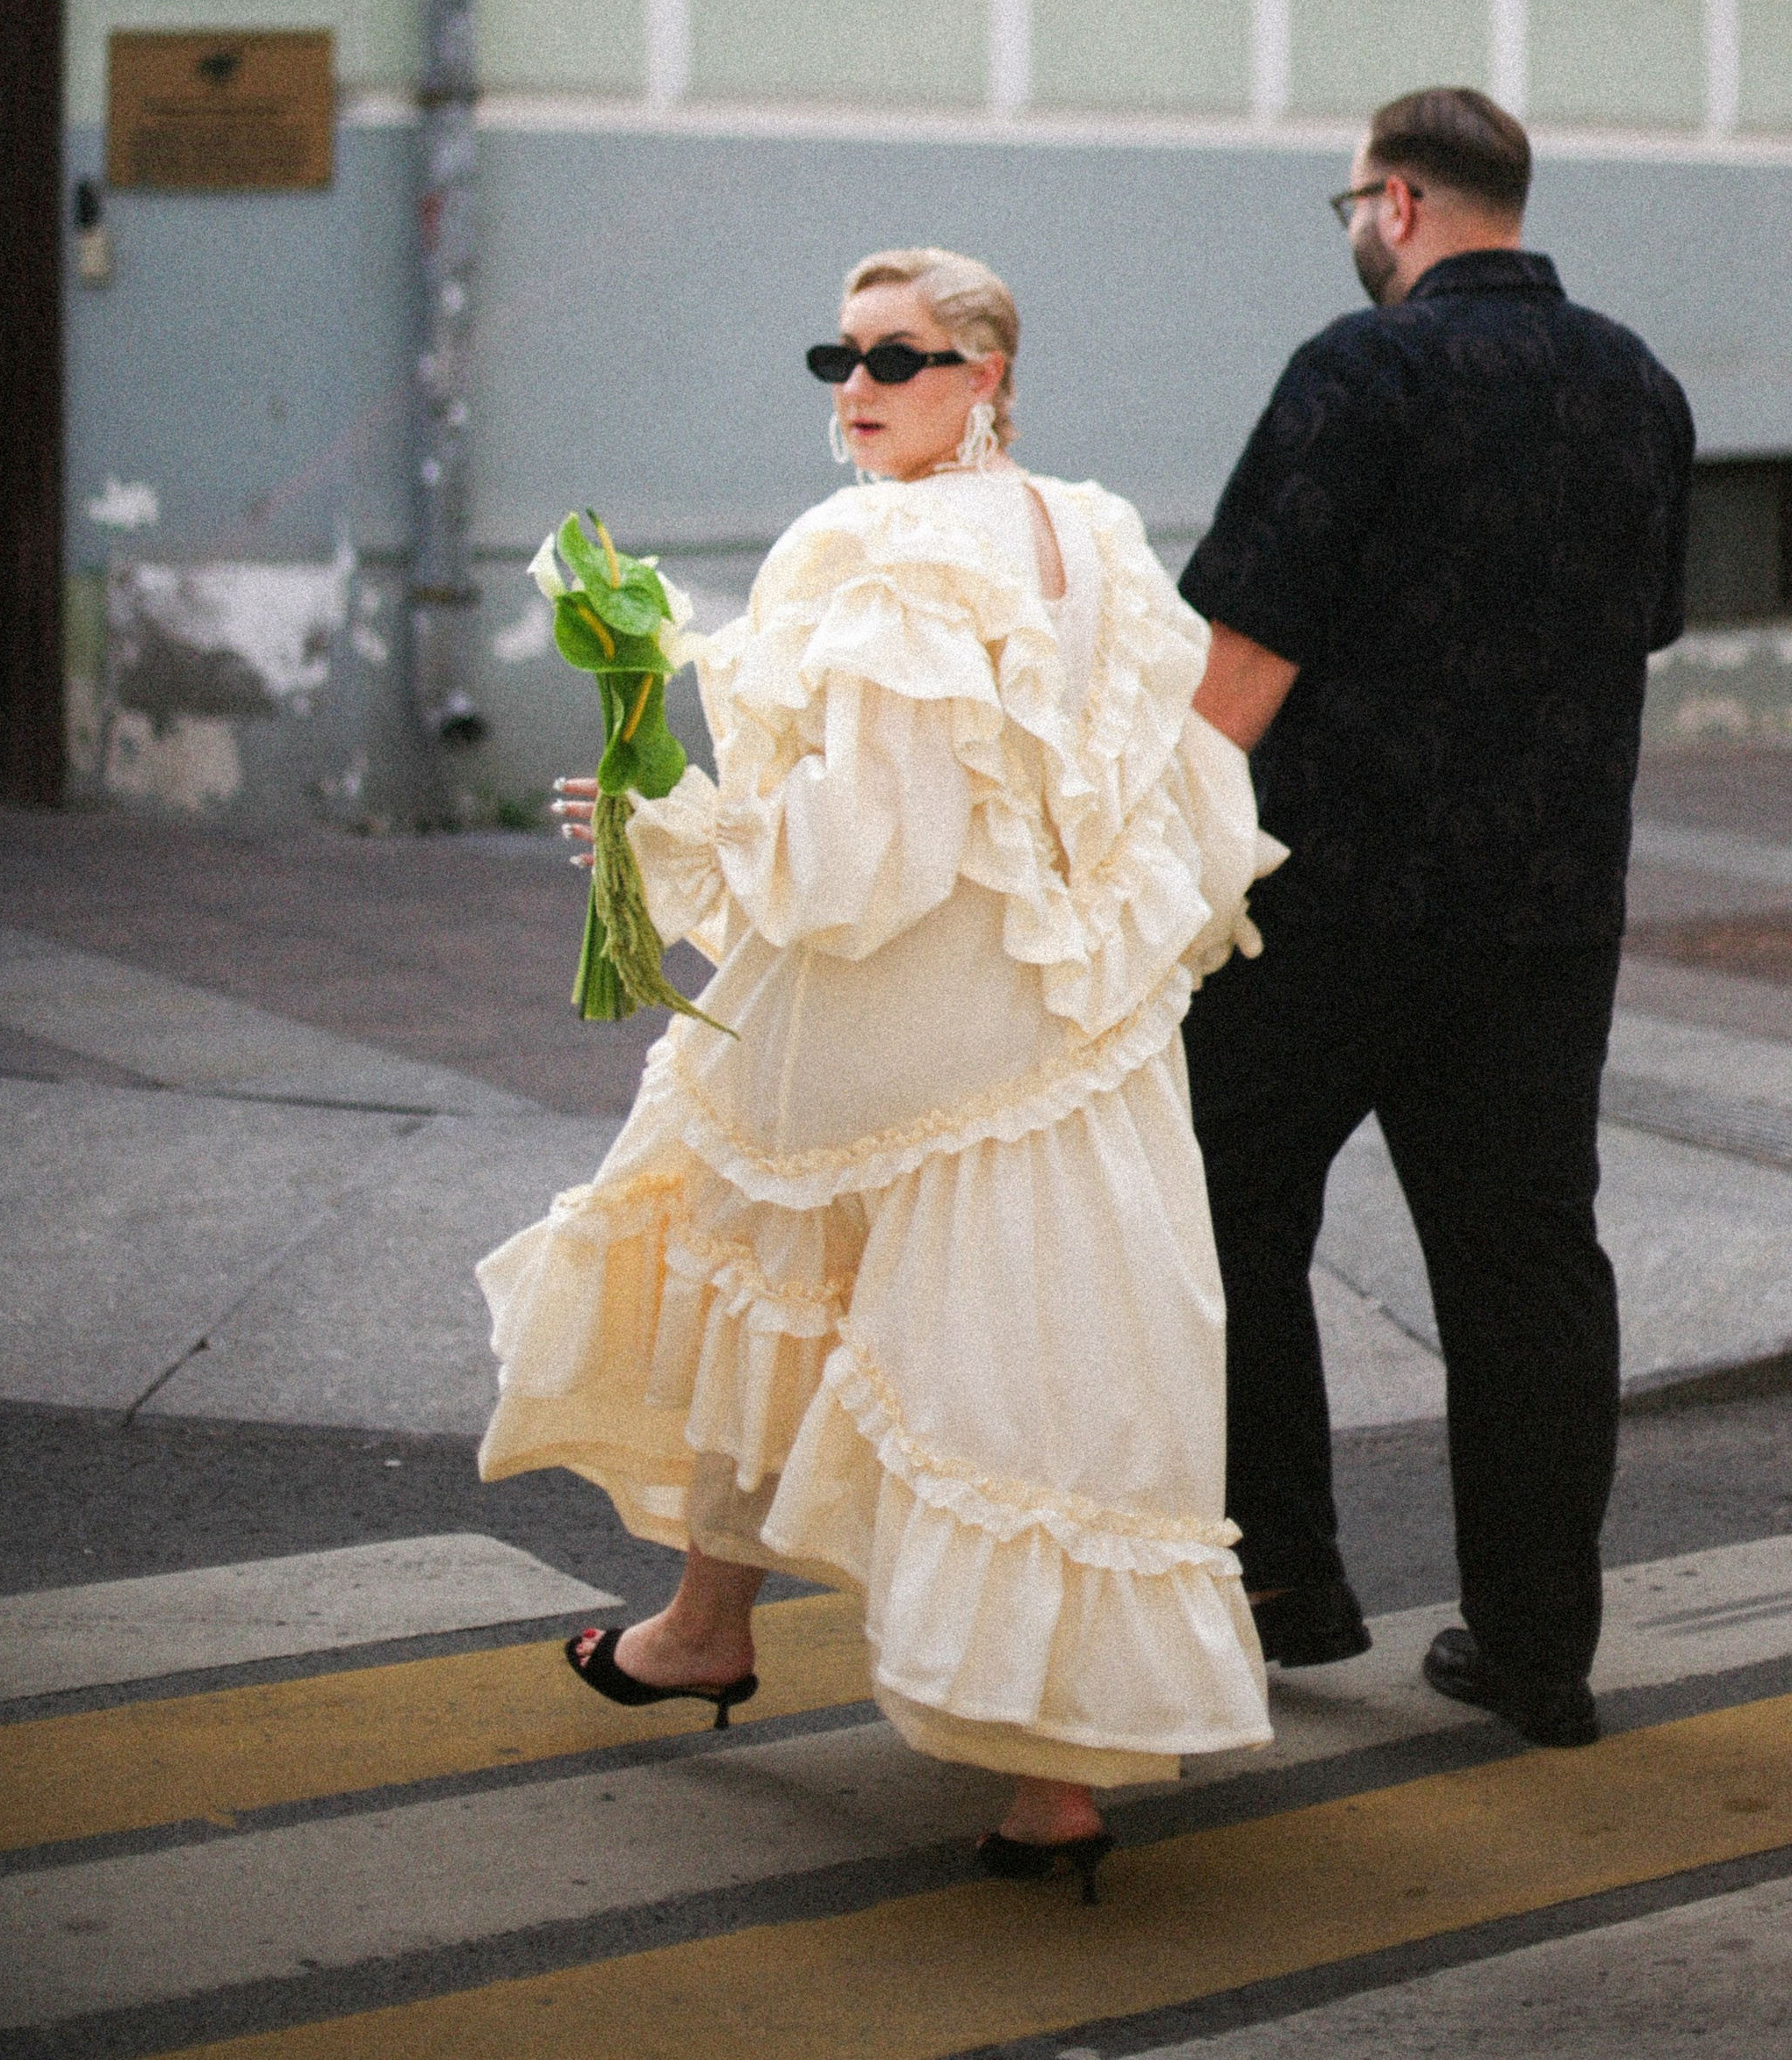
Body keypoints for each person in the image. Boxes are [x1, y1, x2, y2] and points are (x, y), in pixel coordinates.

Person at [478, 246, 1279, 1892]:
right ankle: (1013, 1771)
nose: (855, 389)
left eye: (897, 360)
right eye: (835, 359)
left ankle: (721, 1634)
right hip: (1068, 1025)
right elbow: (1186, 783)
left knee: (771, 1264)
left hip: (902, 1008)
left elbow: (871, 855)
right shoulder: (1097, 530)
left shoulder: (880, 543)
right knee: (1041, 1360)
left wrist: (667, 830)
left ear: (984, 374)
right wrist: (1108, 969)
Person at [1178, 87, 1693, 1747]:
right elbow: (1647, 625)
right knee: (1529, 1262)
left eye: (1347, 199)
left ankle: (1286, 1586)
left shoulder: (1359, 372)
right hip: (1546, 910)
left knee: (1224, 1210)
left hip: (1322, 902)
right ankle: (1540, 1655)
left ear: (1394, 203)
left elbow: (1236, 669)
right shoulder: (1638, 384)